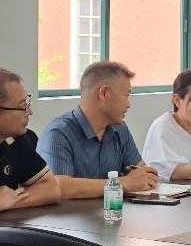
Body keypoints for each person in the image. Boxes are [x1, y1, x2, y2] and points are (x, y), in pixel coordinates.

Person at [37, 61, 159, 199]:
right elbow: (58, 186)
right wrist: (123, 183)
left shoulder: (120, 129)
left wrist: (144, 177)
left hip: (114, 210)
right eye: (126, 96)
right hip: (72, 213)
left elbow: (140, 171)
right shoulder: (58, 134)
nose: (128, 104)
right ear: (104, 93)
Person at [0, 68, 61, 211]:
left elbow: (51, 189)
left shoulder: (20, 139)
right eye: (23, 106)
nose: (30, 112)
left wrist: (10, 201)